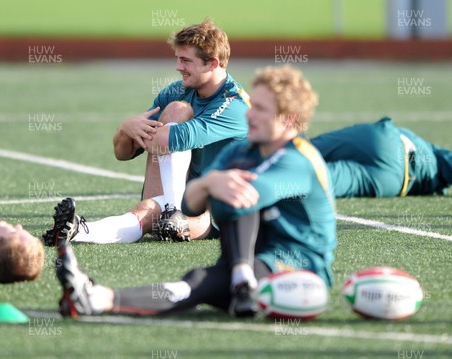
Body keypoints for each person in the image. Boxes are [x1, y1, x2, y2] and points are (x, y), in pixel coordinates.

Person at [53, 65, 337, 318]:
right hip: (255, 262)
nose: (249, 114)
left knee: (234, 197)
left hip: (298, 274)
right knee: (195, 281)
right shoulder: (242, 151)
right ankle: (96, 298)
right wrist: (207, 185)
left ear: (289, 119)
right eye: (253, 106)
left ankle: (242, 279)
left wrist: (213, 186)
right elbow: (189, 206)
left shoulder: (299, 159)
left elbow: (246, 198)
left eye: (260, 109)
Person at [43, 19, 249, 246]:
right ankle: (168, 213)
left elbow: (171, 140)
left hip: (222, 201)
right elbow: (122, 151)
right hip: (181, 190)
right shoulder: (177, 90)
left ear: (212, 64)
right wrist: (126, 127)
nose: (178, 67)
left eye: (185, 60)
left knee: (155, 210)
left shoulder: (234, 105)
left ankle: (85, 231)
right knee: (176, 110)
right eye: (177, 59)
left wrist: (137, 131)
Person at [310, 117, 452, 197]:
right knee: (324, 179)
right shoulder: (437, 175)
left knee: (303, 150)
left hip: (380, 137)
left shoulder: (438, 156)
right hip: (395, 178)